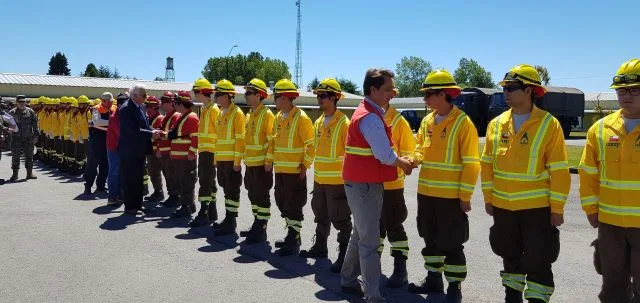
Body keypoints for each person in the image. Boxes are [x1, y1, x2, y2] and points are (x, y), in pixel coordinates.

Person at [481, 64, 570, 303]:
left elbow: (560, 170)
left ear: (530, 90)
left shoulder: (549, 125)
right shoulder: (496, 124)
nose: (506, 92)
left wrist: (557, 208)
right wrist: (489, 200)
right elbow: (487, 164)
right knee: (509, 256)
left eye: (512, 88)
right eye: (504, 88)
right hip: (503, 207)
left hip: (537, 209)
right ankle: (512, 297)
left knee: (538, 259)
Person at [340, 68, 413, 302]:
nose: (392, 93)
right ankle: (373, 296)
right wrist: (404, 164)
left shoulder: (366, 112)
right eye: (388, 89)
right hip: (365, 186)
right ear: (373, 90)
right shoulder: (370, 117)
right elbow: (384, 154)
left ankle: (348, 279)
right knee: (370, 242)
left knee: (359, 234)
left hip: (359, 184)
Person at [407, 70, 479, 303]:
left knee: (452, 242)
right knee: (430, 238)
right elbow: (420, 148)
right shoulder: (427, 121)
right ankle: (433, 280)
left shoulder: (463, 123)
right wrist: (414, 158)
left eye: (429, 94)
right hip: (426, 194)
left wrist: (465, 196)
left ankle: (454, 287)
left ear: (444, 94)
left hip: (450, 197)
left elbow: (471, 164)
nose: (425, 99)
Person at [579, 58, 640, 303]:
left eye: (634, 89)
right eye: (621, 90)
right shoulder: (600, 128)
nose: (626, 96)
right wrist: (591, 209)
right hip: (610, 224)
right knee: (613, 286)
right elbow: (588, 172)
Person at [299, 78, 352, 273]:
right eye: (318, 96)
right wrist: (306, 165)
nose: (319, 99)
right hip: (320, 180)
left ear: (334, 98)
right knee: (320, 215)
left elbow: (350, 153)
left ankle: (344, 255)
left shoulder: (344, 123)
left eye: (323, 96)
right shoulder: (319, 121)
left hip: (337, 182)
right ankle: (320, 247)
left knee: (341, 219)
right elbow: (313, 148)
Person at [267, 79, 315, 256]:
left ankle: (294, 239)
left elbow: (311, 145)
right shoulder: (279, 117)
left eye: (277, 96)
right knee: (282, 203)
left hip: (295, 172)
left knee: (294, 205)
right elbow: (274, 142)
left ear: (286, 98)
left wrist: (305, 165)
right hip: (280, 170)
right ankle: (292, 234)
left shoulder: (301, 118)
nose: (274, 100)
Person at [240, 78, 275, 243]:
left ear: (260, 95)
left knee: (261, 197)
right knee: (252, 194)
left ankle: (261, 228)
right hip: (250, 163)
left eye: (249, 93)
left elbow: (271, 141)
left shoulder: (267, 115)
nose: (246, 95)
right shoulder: (249, 115)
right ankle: (256, 222)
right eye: (246, 92)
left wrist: (268, 162)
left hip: (262, 165)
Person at [118, 85, 161, 215]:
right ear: (135, 95)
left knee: (138, 179)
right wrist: (150, 134)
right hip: (130, 151)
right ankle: (130, 207)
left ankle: (137, 205)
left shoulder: (140, 107)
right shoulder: (126, 109)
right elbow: (133, 130)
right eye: (144, 95)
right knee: (131, 179)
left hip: (139, 150)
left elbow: (145, 126)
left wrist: (152, 130)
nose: (145, 98)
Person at [211, 79, 246, 236]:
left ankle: (231, 222)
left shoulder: (237, 113)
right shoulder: (220, 112)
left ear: (227, 96)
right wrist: (216, 160)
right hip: (222, 160)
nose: (216, 98)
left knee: (232, 192)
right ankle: (228, 218)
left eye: (218, 94)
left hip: (232, 161)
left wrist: (237, 162)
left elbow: (240, 139)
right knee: (226, 191)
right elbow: (218, 139)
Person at [189, 79, 220, 227]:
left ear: (202, 92)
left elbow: (219, 133)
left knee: (205, 181)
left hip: (210, 152)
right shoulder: (205, 109)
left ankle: (204, 212)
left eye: (196, 92)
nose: (194, 95)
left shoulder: (213, 110)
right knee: (209, 182)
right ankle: (211, 211)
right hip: (205, 151)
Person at [167, 91, 199, 218]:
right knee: (181, 181)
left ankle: (186, 207)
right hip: (178, 157)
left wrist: (191, 152)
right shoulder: (183, 116)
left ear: (182, 104)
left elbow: (195, 137)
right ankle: (188, 205)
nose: (175, 105)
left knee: (186, 182)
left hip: (186, 157)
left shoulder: (191, 117)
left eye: (176, 103)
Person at [84, 92, 116, 195]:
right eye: (109, 102)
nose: (111, 104)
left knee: (105, 164)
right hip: (96, 140)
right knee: (92, 164)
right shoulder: (95, 109)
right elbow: (97, 122)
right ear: (103, 101)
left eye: (112, 101)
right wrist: (113, 122)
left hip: (108, 139)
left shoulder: (114, 108)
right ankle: (88, 186)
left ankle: (100, 186)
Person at [155, 92, 181, 207]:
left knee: (172, 176)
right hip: (165, 151)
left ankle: (175, 197)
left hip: (170, 152)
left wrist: (159, 134)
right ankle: (172, 196)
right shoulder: (167, 116)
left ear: (172, 103)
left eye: (165, 101)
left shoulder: (175, 116)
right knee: (168, 175)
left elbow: (171, 134)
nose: (162, 104)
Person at [8, 95, 39, 181]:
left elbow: (35, 125)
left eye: (23, 102)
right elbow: (7, 124)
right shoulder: (11, 112)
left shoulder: (30, 112)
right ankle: (15, 175)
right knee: (15, 157)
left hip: (28, 138)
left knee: (29, 156)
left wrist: (36, 136)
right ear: (16, 103)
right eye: (20, 102)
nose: (22, 103)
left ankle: (29, 174)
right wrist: (8, 130)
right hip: (16, 138)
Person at [105, 93, 128, 205]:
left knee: (120, 172)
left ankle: (119, 195)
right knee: (114, 172)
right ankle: (112, 197)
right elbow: (121, 133)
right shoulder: (115, 116)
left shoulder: (123, 114)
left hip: (121, 147)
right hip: (114, 148)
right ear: (119, 104)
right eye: (124, 103)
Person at [144, 95, 165, 204]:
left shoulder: (159, 119)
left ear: (153, 107)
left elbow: (159, 136)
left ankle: (159, 192)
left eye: (147, 106)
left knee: (156, 172)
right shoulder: (149, 118)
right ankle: (157, 191)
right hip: (150, 150)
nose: (146, 108)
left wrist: (158, 149)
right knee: (153, 172)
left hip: (156, 151)